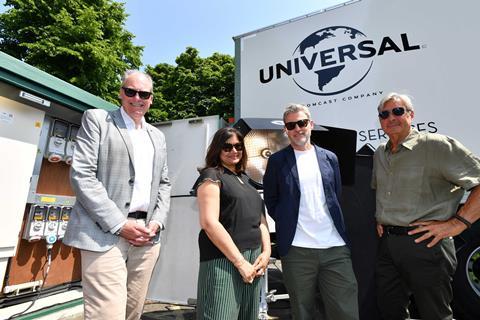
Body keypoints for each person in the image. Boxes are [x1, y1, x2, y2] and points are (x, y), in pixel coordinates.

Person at [63, 70, 171, 320]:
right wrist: (120, 225)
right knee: (107, 315)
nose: (137, 98)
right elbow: (82, 175)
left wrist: (157, 221)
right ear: (121, 93)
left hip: (147, 236)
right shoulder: (98, 120)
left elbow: (164, 184)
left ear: (151, 99)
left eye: (144, 94)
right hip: (104, 233)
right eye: (130, 91)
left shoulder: (157, 136)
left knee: (132, 312)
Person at [372, 92, 480, 320]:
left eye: (398, 111)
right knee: (389, 310)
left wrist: (457, 224)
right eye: (384, 114)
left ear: (411, 115)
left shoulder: (436, 146)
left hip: (426, 245)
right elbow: (383, 191)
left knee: (435, 314)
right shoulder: (380, 153)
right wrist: (381, 218)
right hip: (388, 245)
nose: (391, 117)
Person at [263, 103, 359, 320]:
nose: (298, 128)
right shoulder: (277, 161)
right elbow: (271, 199)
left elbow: (335, 195)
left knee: (346, 310)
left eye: (302, 123)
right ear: (286, 130)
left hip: (335, 247)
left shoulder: (330, 158)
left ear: (311, 124)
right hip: (297, 250)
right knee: (302, 311)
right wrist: (288, 221)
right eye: (291, 125)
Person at [193, 127, 271, 320]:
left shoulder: (246, 179)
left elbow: (260, 220)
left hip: (253, 260)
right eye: (227, 147)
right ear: (217, 149)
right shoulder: (211, 175)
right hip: (224, 260)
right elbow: (209, 223)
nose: (234, 151)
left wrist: (266, 252)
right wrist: (239, 262)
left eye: (238, 146)